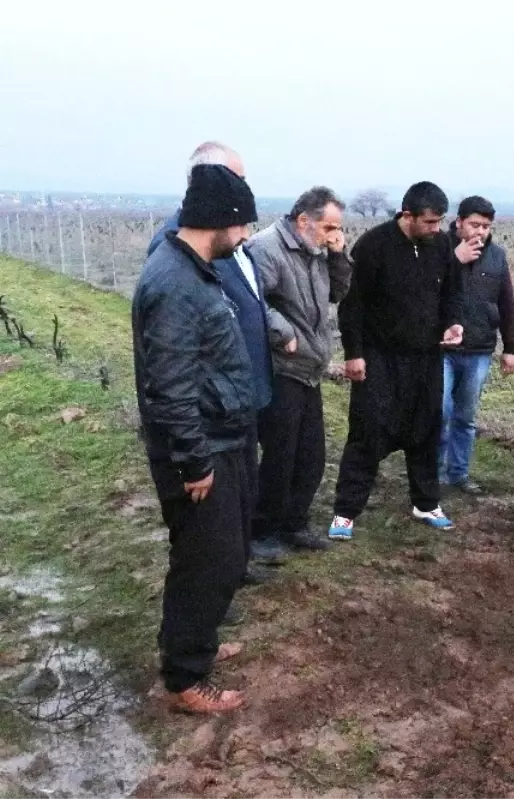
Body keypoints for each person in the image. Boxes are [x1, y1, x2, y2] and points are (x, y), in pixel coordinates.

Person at [132, 163, 259, 713]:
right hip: (201, 448)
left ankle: (195, 641)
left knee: (220, 556)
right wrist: (194, 463)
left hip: (222, 438)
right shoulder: (176, 284)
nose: (247, 237)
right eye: (244, 226)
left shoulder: (193, 267)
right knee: (208, 559)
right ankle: (186, 679)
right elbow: (171, 388)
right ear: (221, 220)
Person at [148, 142, 283, 583]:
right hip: (208, 420)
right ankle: (198, 628)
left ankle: (231, 572)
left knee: (232, 518)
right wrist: (194, 458)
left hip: (232, 405)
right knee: (202, 541)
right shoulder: (178, 262)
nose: (246, 233)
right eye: (236, 181)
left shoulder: (220, 249)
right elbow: (171, 378)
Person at [328, 181, 478, 540]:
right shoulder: (374, 246)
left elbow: (452, 292)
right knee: (368, 429)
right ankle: (346, 512)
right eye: (429, 221)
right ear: (407, 215)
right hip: (380, 357)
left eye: (440, 221)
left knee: (427, 428)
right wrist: (354, 354)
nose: (436, 228)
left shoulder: (441, 245)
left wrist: (452, 323)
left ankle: (425, 503)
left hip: (426, 356)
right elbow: (353, 305)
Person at [245, 187, 352, 553]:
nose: (333, 234)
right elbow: (249, 299)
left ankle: (295, 523)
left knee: (311, 456)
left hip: (309, 367)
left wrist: (338, 256)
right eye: (328, 227)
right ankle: (262, 531)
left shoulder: (317, 251)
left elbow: (338, 294)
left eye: (337, 228)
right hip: (281, 367)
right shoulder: (266, 248)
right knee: (280, 454)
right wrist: (283, 332)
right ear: (304, 220)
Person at [439, 196, 514, 494]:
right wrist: (454, 260)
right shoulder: (439, 249)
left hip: (479, 348)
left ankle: (458, 474)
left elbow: (507, 303)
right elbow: (426, 289)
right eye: (474, 224)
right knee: (440, 412)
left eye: (486, 226)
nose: (480, 231)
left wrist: (510, 348)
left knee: (465, 415)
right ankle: (431, 475)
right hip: (442, 348)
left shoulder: (497, 257)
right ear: (459, 222)